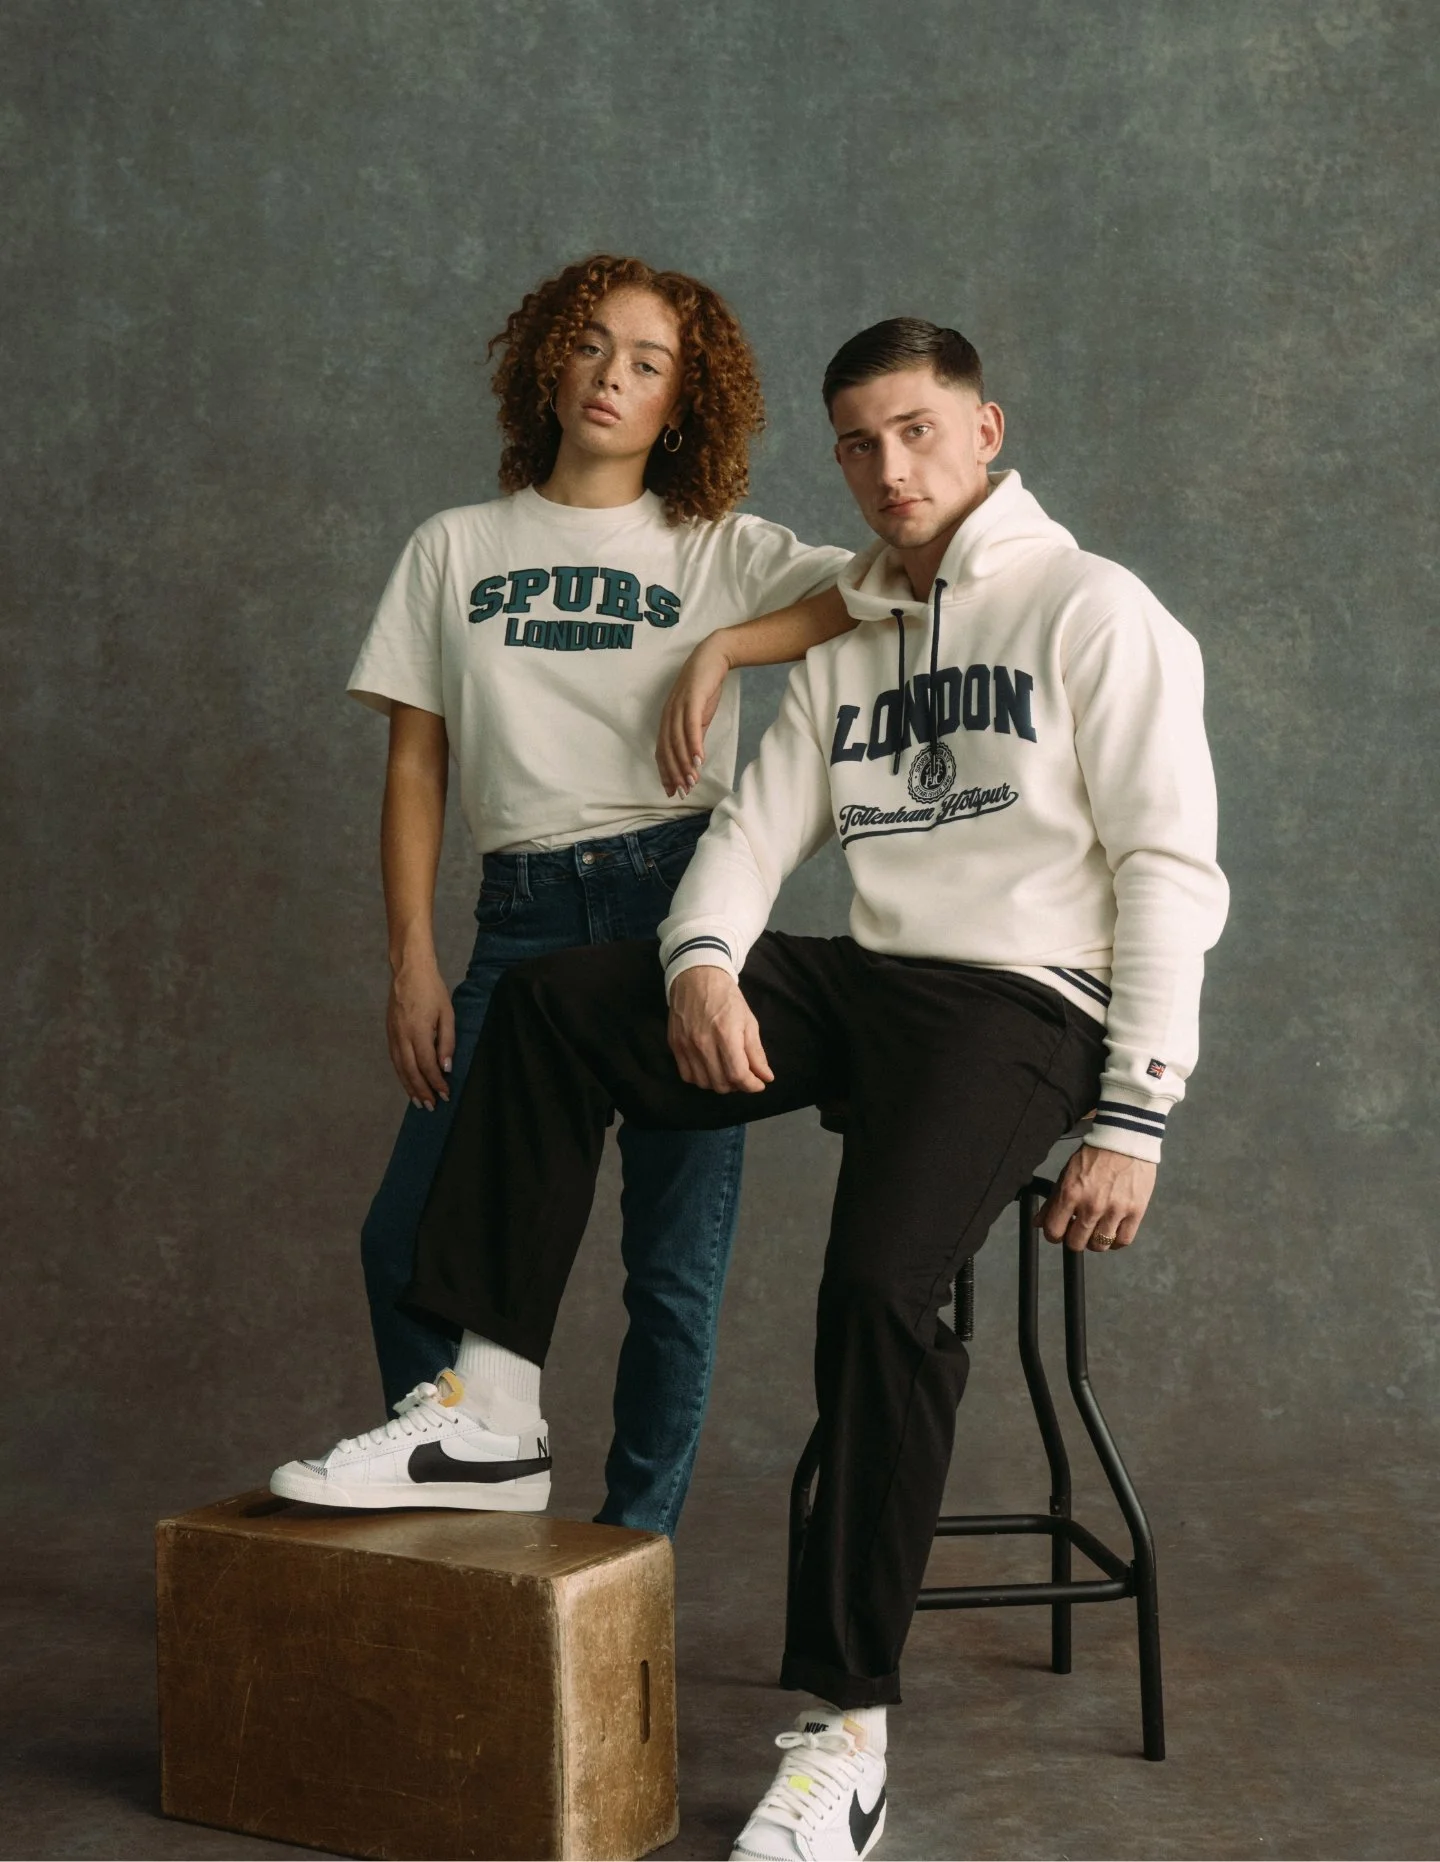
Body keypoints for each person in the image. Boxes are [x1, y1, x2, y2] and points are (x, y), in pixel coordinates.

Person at [275, 317, 1229, 1860]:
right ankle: (495, 1403)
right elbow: (755, 824)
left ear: (988, 432)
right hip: (874, 979)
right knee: (565, 1003)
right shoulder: (854, 628)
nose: (888, 468)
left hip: (1029, 1001)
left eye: (918, 431)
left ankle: (845, 1732)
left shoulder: (1097, 610)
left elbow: (1172, 870)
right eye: (858, 442)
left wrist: (1135, 1112)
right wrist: (702, 964)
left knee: (874, 1289)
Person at [295, 253, 853, 1537]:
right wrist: (413, 959)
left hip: (681, 913)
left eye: (649, 362)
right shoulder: (454, 547)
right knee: (408, 1239)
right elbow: (418, 761)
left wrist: (727, 641)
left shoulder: (715, 547)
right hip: (522, 915)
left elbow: (882, 583)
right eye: (593, 344)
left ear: (682, 404)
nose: (613, 376)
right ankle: (472, 1474)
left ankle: (632, 1549)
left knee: (671, 1273)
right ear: (547, 358)